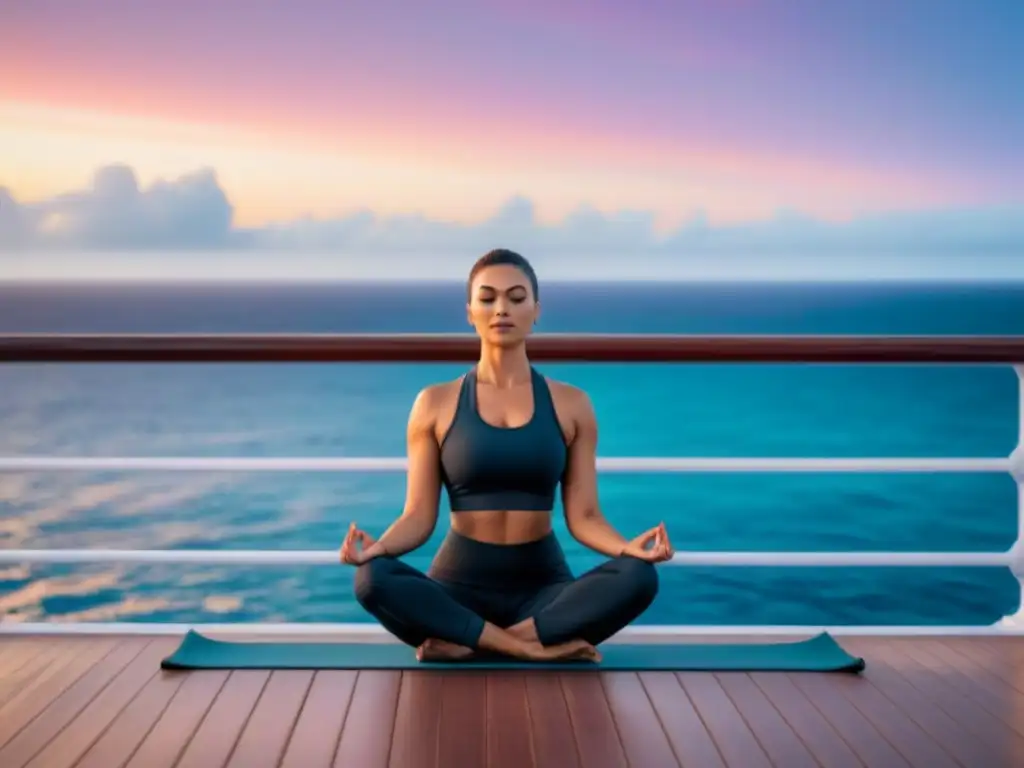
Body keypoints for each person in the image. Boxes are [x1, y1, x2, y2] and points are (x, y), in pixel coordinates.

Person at [339, 248, 674, 663]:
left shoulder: (572, 405)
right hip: (456, 591)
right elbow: (418, 516)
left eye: (517, 298)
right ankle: (525, 648)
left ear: (536, 311)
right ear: (470, 312)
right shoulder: (434, 403)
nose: (502, 309)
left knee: (640, 577)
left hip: (543, 594)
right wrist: (378, 550)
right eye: (488, 298)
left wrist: (628, 549)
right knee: (372, 579)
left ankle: (474, 643)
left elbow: (584, 517)